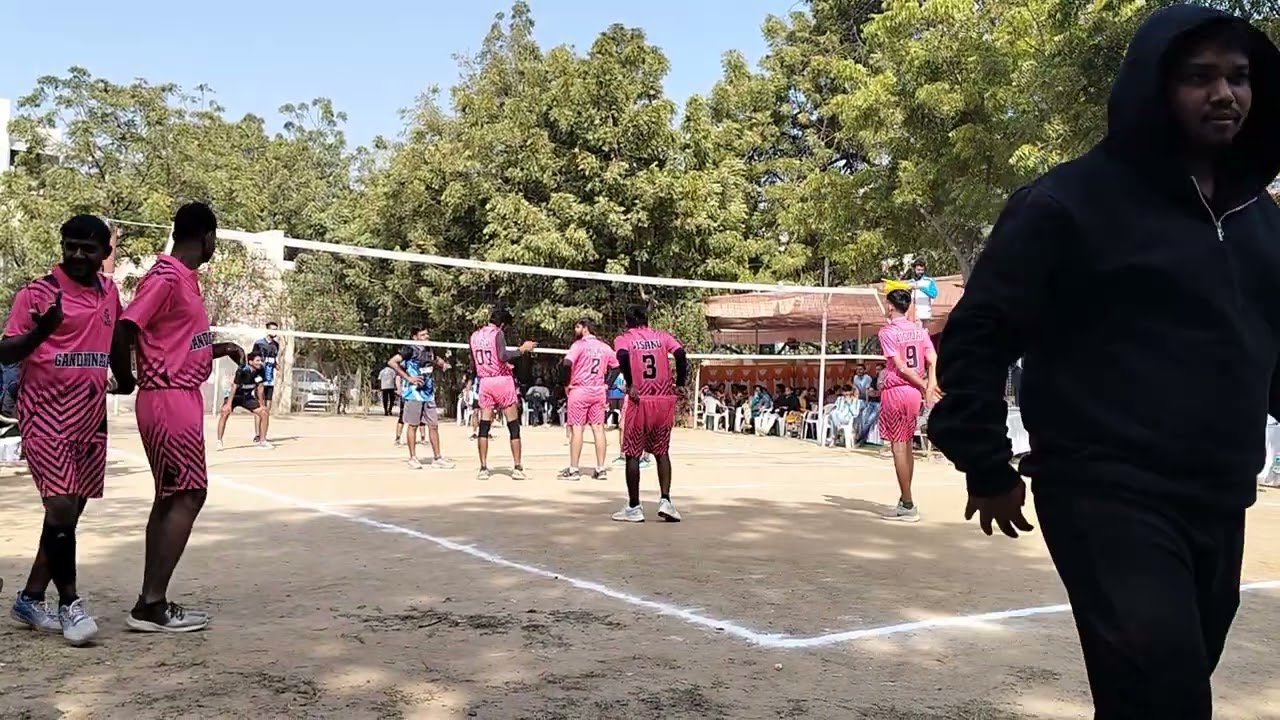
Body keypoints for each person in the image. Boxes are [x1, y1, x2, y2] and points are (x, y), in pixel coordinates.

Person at [927, 8, 1280, 718]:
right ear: (1154, 86)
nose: (1225, 95)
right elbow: (979, 333)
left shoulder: (1259, 218)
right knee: (1168, 693)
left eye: (1239, 78)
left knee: (1151, 692)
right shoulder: (1070, 202)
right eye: (1200, 77)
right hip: (1104, 490)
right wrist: (985, 459)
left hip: (1218, 496)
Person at [110, 201, 245, 633]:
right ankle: (151, 604)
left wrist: (217, 348)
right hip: (168, 399)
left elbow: (173, 338)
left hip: (179, 396)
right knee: (189, 494)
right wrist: (126, 379)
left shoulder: (186, 280)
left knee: (172, 497)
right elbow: (126, 326)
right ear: (207, 237)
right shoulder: (167, 277)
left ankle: (152, 600)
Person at [0, 215, 120, 646]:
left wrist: (124, 375)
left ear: (106, 253)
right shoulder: (37, 293)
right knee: (62, 509)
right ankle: (70, 602)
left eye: (88, 249)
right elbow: (5, 349)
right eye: (70, 246)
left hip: (90, 415)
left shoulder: (110, 291)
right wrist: (42, 330)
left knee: (66, 515)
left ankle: (31, 598)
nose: (77, 255)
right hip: (45, 413)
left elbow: (116, 336)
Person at [612, 304, 688, 523]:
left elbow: (624, 358)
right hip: (663, 400)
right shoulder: (662, 336)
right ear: (646, 319)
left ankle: (634, 507)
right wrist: (680, 383)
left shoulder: (624, 339)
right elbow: (681, 354)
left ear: (628, 321)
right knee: (662, 451)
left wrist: (630, 383)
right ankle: (666, 501)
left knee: (632, 453)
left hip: (640, 400)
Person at [877, 289, 938, 523]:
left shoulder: (888, 332)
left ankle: (909, 503)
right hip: (913, 394)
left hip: (898, 391)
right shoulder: (919, 330)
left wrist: (925, 385)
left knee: (898, 447)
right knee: (907, 445)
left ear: (891, 306)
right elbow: (932, 359)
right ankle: (905, 501)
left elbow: (901, 367)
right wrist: (930, 384)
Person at [468, 307, 536, 480]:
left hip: (485, 381)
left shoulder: (475, 335)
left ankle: (483, 468)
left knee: (484, 426)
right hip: (501, 381)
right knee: (513, 425)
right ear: (503, 324)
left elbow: (475, 362)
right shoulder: (497, 334)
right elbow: (503, 355)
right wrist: (522, 349)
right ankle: (517, 467)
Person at [559, 317, 620, 480]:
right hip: (598, 391)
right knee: (598, 428)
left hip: (579, 390)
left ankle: (573, 470)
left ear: (585, 328)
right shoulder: (604, 347)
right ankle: (601, 469)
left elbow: (566, 364)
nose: (575, 330)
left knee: (577, 428)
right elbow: (616, 366)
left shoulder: (578, 345)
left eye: (577, 326)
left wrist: (566, 384)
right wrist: (607, 384)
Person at [388, 327, 453, 469]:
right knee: (413, 425)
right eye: (423, 335)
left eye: (427, 334)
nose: (426, 336)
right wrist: (409, 378)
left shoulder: (430, 349)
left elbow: (435, 360)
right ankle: (412, 458)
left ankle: (437, 458)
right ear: (415, 337)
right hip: (413, 394)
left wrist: (443, 364)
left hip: (428, 394)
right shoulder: (410, 350)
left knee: (434, 426)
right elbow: (392, 362)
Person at [215, 352, 270, 450]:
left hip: (247, 397)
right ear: (250, 362)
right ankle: (219, 441)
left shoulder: (261, 370)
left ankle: (262, 441)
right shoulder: (242, 370)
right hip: (235, 395)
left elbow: (260, 388)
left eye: (260, 360)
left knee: (264, 412)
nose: (260, 363)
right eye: (257, 360)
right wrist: (228, 404)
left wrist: (262, 404)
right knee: (224, 413)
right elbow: (234, 386)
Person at [250, 322, 280, 443]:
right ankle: (257, 435)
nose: (275, 332)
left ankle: (264, 435)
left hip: (270, 381)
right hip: (260, 380)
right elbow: (253, 361)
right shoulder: (259, 344)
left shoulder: (276, 345)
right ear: (267, 330)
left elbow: (274, 361)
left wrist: (277, 366)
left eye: (276, 330)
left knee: (267, 409)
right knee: (259, 407)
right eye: (273, 329)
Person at [905, 258, 938, 328]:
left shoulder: (929, 281)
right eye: (918, 270)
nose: (920, 272)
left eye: (922, 270)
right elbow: (906, 297)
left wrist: (921, 288)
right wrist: (908, 290)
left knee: (925, 333)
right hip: (913, 314)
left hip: (925, 313)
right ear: (914, 269)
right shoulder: (910, 282)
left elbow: (934, 294)